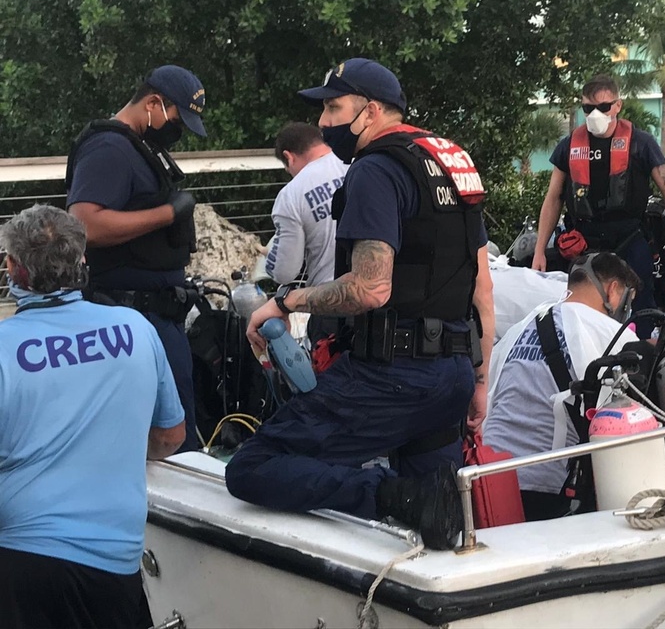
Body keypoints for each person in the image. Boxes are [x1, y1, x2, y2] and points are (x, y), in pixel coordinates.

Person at [225, 59, 495, 550]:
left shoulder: (375, 170)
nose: (325, 123)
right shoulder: (450, 162)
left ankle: (390, 496)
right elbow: (482, 287)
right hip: (450, 375)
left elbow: (372, 289)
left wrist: (286, 302)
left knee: (251, 468)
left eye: (333, 108)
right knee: (440, 526)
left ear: (369, 111)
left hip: (391, 375)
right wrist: (478, 378)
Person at [0, 205, 185, 628]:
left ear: (14, 269)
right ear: (82, 261)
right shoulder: (136, 328)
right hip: (115, 562)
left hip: (22, 562)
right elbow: (170, 437)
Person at [66, 64, 206, 452]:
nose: (178, 130)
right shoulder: (108, 148)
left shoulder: (139, 147)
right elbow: (85, 225)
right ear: (153, 103)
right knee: (166, 443)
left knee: (176, 434)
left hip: (155, 316)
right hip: (130, 317)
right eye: (177, 119)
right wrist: (168, 214)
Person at [530, 74, 665, 338]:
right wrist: (539, 250)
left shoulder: (642, 144)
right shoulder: (569, 146)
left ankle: (641, 362)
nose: (595, 114)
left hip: (630, 239)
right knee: (581, 317)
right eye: (588, 109)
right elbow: (553, 198)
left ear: (617, 106)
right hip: (585, 245)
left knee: (641, 313)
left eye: (603, 107)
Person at [484, 253, 640, 521]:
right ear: (614, 290)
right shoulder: (615, 335)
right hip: (553, 491)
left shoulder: (520, 328)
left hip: (492, 480)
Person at [265, 122, 350, 351]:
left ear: (288, 157)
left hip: (329, 306)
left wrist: (270, 256)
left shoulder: (291, 195)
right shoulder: (356, 163)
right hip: (379, 300)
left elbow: (284, 271)